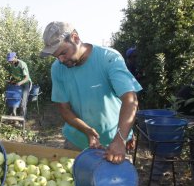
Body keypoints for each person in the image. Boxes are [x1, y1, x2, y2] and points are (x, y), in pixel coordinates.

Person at [40, 21, 142, 164]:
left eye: (63, 52)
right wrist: (87, 131)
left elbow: (130, 99)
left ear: (75, 38)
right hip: (76, 142)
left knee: (111, 185)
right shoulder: (57, 69)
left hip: (114, 143)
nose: (61, 60)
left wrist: (121, 138)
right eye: (56, 56)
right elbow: (64, 109)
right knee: (74, 184)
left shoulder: (108, 58)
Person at [6, 52, 32, 117]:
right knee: (14, 98)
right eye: (9, 61)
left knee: (23, 101)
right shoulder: (12, 65)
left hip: (25, 84)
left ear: (15, 57)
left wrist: (20, 83)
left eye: (11, 60)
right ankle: (13, 116)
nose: (10, 62)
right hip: (18, 84)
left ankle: (22, 118)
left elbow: (27, 78)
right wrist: (11, 81)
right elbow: (15, 75)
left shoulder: (22, 64)